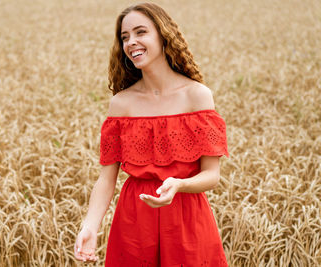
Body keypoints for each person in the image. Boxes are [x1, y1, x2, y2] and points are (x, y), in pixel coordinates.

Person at [74, 2, 229, 266]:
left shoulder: (197, 96)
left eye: (140, 32)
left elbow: (211, 175)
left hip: (187, 219)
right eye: (125, 37)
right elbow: (106, 179)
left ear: (163, 34)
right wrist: (90, 225)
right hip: (134, 223)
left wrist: (179, 185)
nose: (131, 42)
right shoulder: (121, 104)